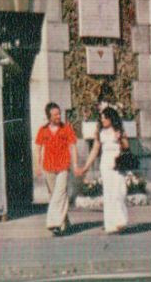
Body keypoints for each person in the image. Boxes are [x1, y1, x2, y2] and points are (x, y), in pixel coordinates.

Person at [77, 106, 131, 234]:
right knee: (109, 193)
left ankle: (121, 221)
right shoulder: (100, 133)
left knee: (120, 191)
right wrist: (85, 167)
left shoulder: (119, 130)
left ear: (111, 118)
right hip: (106, 164)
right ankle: (111, 224)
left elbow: (126, 147)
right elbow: (94, 151)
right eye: (101, 119)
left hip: (117, 163)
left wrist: (120, 139)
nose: (103, 121)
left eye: (105, 118)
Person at [34, 101, 78, 236]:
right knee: (55, 196)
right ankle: (65, 222)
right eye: (55, 114)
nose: (59, 116)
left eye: (59, 113)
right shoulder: (43, 130)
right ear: (49, 116)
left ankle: (54, 223)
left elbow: (73, 147)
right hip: (49, 167)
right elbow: (38, 149)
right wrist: (37, 166)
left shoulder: (67, 128)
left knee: (60, 194)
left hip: (63, 166)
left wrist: (75, 165)